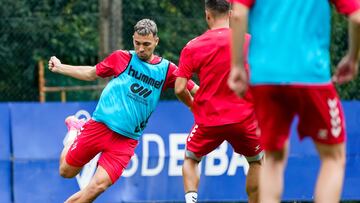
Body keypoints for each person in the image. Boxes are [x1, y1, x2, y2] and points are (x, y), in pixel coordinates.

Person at [48, 19, 198, 203]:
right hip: (99, 127)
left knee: (96, 188)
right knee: (66, 172)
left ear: (156, 42)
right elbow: (90, 73)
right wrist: (60, 67)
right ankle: (74, 131)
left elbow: (194, 89)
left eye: (146, 44)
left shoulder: (166, 69)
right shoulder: (122, 58)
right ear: (133, 39)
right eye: (137, 43)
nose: (141, 49)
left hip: (125, 141)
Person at [228, 0, 360, 202]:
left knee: (272, 159)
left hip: (265, 78)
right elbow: (357, 18)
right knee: (333, 157)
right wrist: (352, 59)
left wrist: (237, 65)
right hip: (311, 76)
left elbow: (237, 14)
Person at [174, 1, 263, 202]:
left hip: (208, 121)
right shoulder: (248, 42)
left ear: (207, 15)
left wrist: (191, 104)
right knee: (257, 162)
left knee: (191, 159)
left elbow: (179, 88)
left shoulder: (193, 46)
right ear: (231, 14)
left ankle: (191, 200)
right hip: (244, 119)